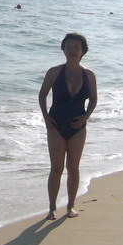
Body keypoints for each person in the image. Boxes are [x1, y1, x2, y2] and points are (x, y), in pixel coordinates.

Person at [38, 32, 97, 220]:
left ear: (83, 51)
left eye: (76, 47)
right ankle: (52, 208)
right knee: (56, 167)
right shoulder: (54, 72)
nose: (72, 51)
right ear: (63, 49)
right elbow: (42, 95)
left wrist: (86, 117)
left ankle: (70, 206)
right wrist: (46, 118)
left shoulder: (89, 75)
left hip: (78, 126)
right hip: (55, 125)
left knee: (73, 167)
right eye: (69, 47)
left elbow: (94, 99)